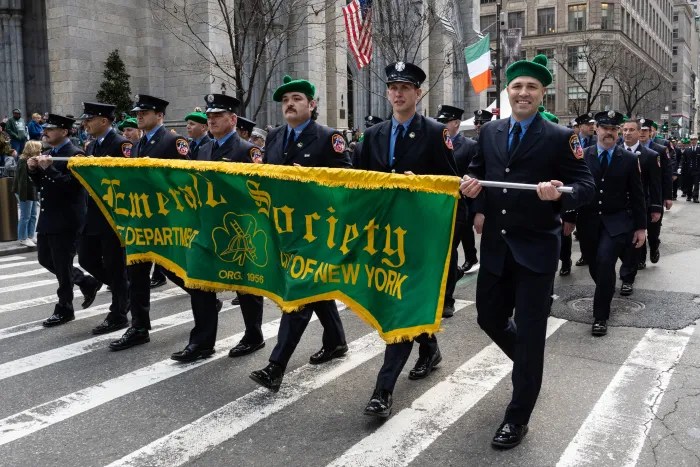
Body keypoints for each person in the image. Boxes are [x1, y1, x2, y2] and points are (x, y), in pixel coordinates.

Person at [460, 55, 595, 449]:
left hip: (536, 250)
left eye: (531, 88)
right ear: (509, 91)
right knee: (489, 318)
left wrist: (560, 195)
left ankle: (517, 417)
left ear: (542, 95)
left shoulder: (559, 136)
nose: (523, 93)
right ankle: (528, 366)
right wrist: (473, 195)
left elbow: (584, 184)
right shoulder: (491, 132)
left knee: (532, 334)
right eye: (517, 86)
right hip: (498, 249)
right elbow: (476, 172)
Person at [356, 62, 460, 419]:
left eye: (405, 88)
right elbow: (357, 183)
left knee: (401, 305)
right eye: (393, 88)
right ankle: (429, 347)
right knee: (393, 301)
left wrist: (423, 185)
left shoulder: (434, 133)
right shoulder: (373, 136)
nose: (398, 93)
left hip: (417, 234)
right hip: (382, 235)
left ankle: (382, 390)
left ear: (418, 94)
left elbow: (450, 185)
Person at [249, 74, 350, 392]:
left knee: (299, 293)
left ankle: (275, 366)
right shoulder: (275, 137)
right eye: (285, 100)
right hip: (283, 229)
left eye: (296, 99)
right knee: (315, 289)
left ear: (312, 104)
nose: (289, 104)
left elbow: (347, 179)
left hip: (316, 230)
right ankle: (336, 341)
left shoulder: (328, 137)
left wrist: (308, 180)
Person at [109, 94, 190, 351]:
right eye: (138, 112)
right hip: (141, 220)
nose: (139, 116)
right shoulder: (137, 144)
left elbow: (184, 181)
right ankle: (139, 327)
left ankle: (203, 297)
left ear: (160, 115)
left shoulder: (173, 141)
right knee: (137, 274)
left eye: (145, 112)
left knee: (173, 270)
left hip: (165, 221)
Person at [567, 111, 646, 337]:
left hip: (616, 222)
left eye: (613, 129)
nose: (609, 133)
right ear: (597, 129)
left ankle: (600, 316)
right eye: (604, 128)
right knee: (594, 264)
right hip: (588, 222)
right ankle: (607, 286)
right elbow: (575, 190)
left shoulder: (629, 159)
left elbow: (638, 195)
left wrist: (641, 228)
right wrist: (569, 218)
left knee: (604, 261)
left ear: (618, 132)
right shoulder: (583, 155)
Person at [27, 114, 102, 327]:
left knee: (61, 265)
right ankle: (85, 281)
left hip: (66, 218)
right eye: (46, 128)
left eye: (51, 129)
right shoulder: (50, 153)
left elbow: (73, 187)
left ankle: (65, 308)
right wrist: (33, 170)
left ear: (65, 132)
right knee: (45, 259)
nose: (45, 132)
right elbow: (42, 184)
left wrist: (47, 168)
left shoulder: (76, 154)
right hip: (50, 216)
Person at [78, 102, 133, 335]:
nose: (85, 123)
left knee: (115, 264)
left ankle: (119, 313)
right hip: (93, 215)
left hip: (114, 216)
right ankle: (125, 291)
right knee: (86, 259)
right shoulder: (91, 146)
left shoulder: (122, 144)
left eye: (90, 119)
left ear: (104, 121)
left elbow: (128, 179)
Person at [617, 119, 662, 296]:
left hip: (638, 206)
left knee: (634, 243)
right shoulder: (616, 152)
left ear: (639, 133)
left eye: (631, 130)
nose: (627, 133)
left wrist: (656, 207)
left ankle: (628, 277)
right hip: (618, 206)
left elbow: (655, 184)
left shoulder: (650, 155)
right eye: (624, 130)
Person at [436, 104, 479, 277]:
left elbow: (474, 171)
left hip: (461, 202)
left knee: (451, 244)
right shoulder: (436, 142)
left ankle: (454, 273)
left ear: (456, 123)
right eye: (440, 121)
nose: (442, 125)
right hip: (439, 201)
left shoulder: (469, 146)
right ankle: (453, 272)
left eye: (445, 121)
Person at [11, 140, 40, 247]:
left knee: (33, 215)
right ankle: (23, 238)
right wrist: (23, 196)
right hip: (25, 191)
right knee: (25, 216)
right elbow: (22, 180)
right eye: (38, 149)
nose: (40, 151)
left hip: (31, 190)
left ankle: (30, 236)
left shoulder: (30, 160)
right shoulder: (23, 160)